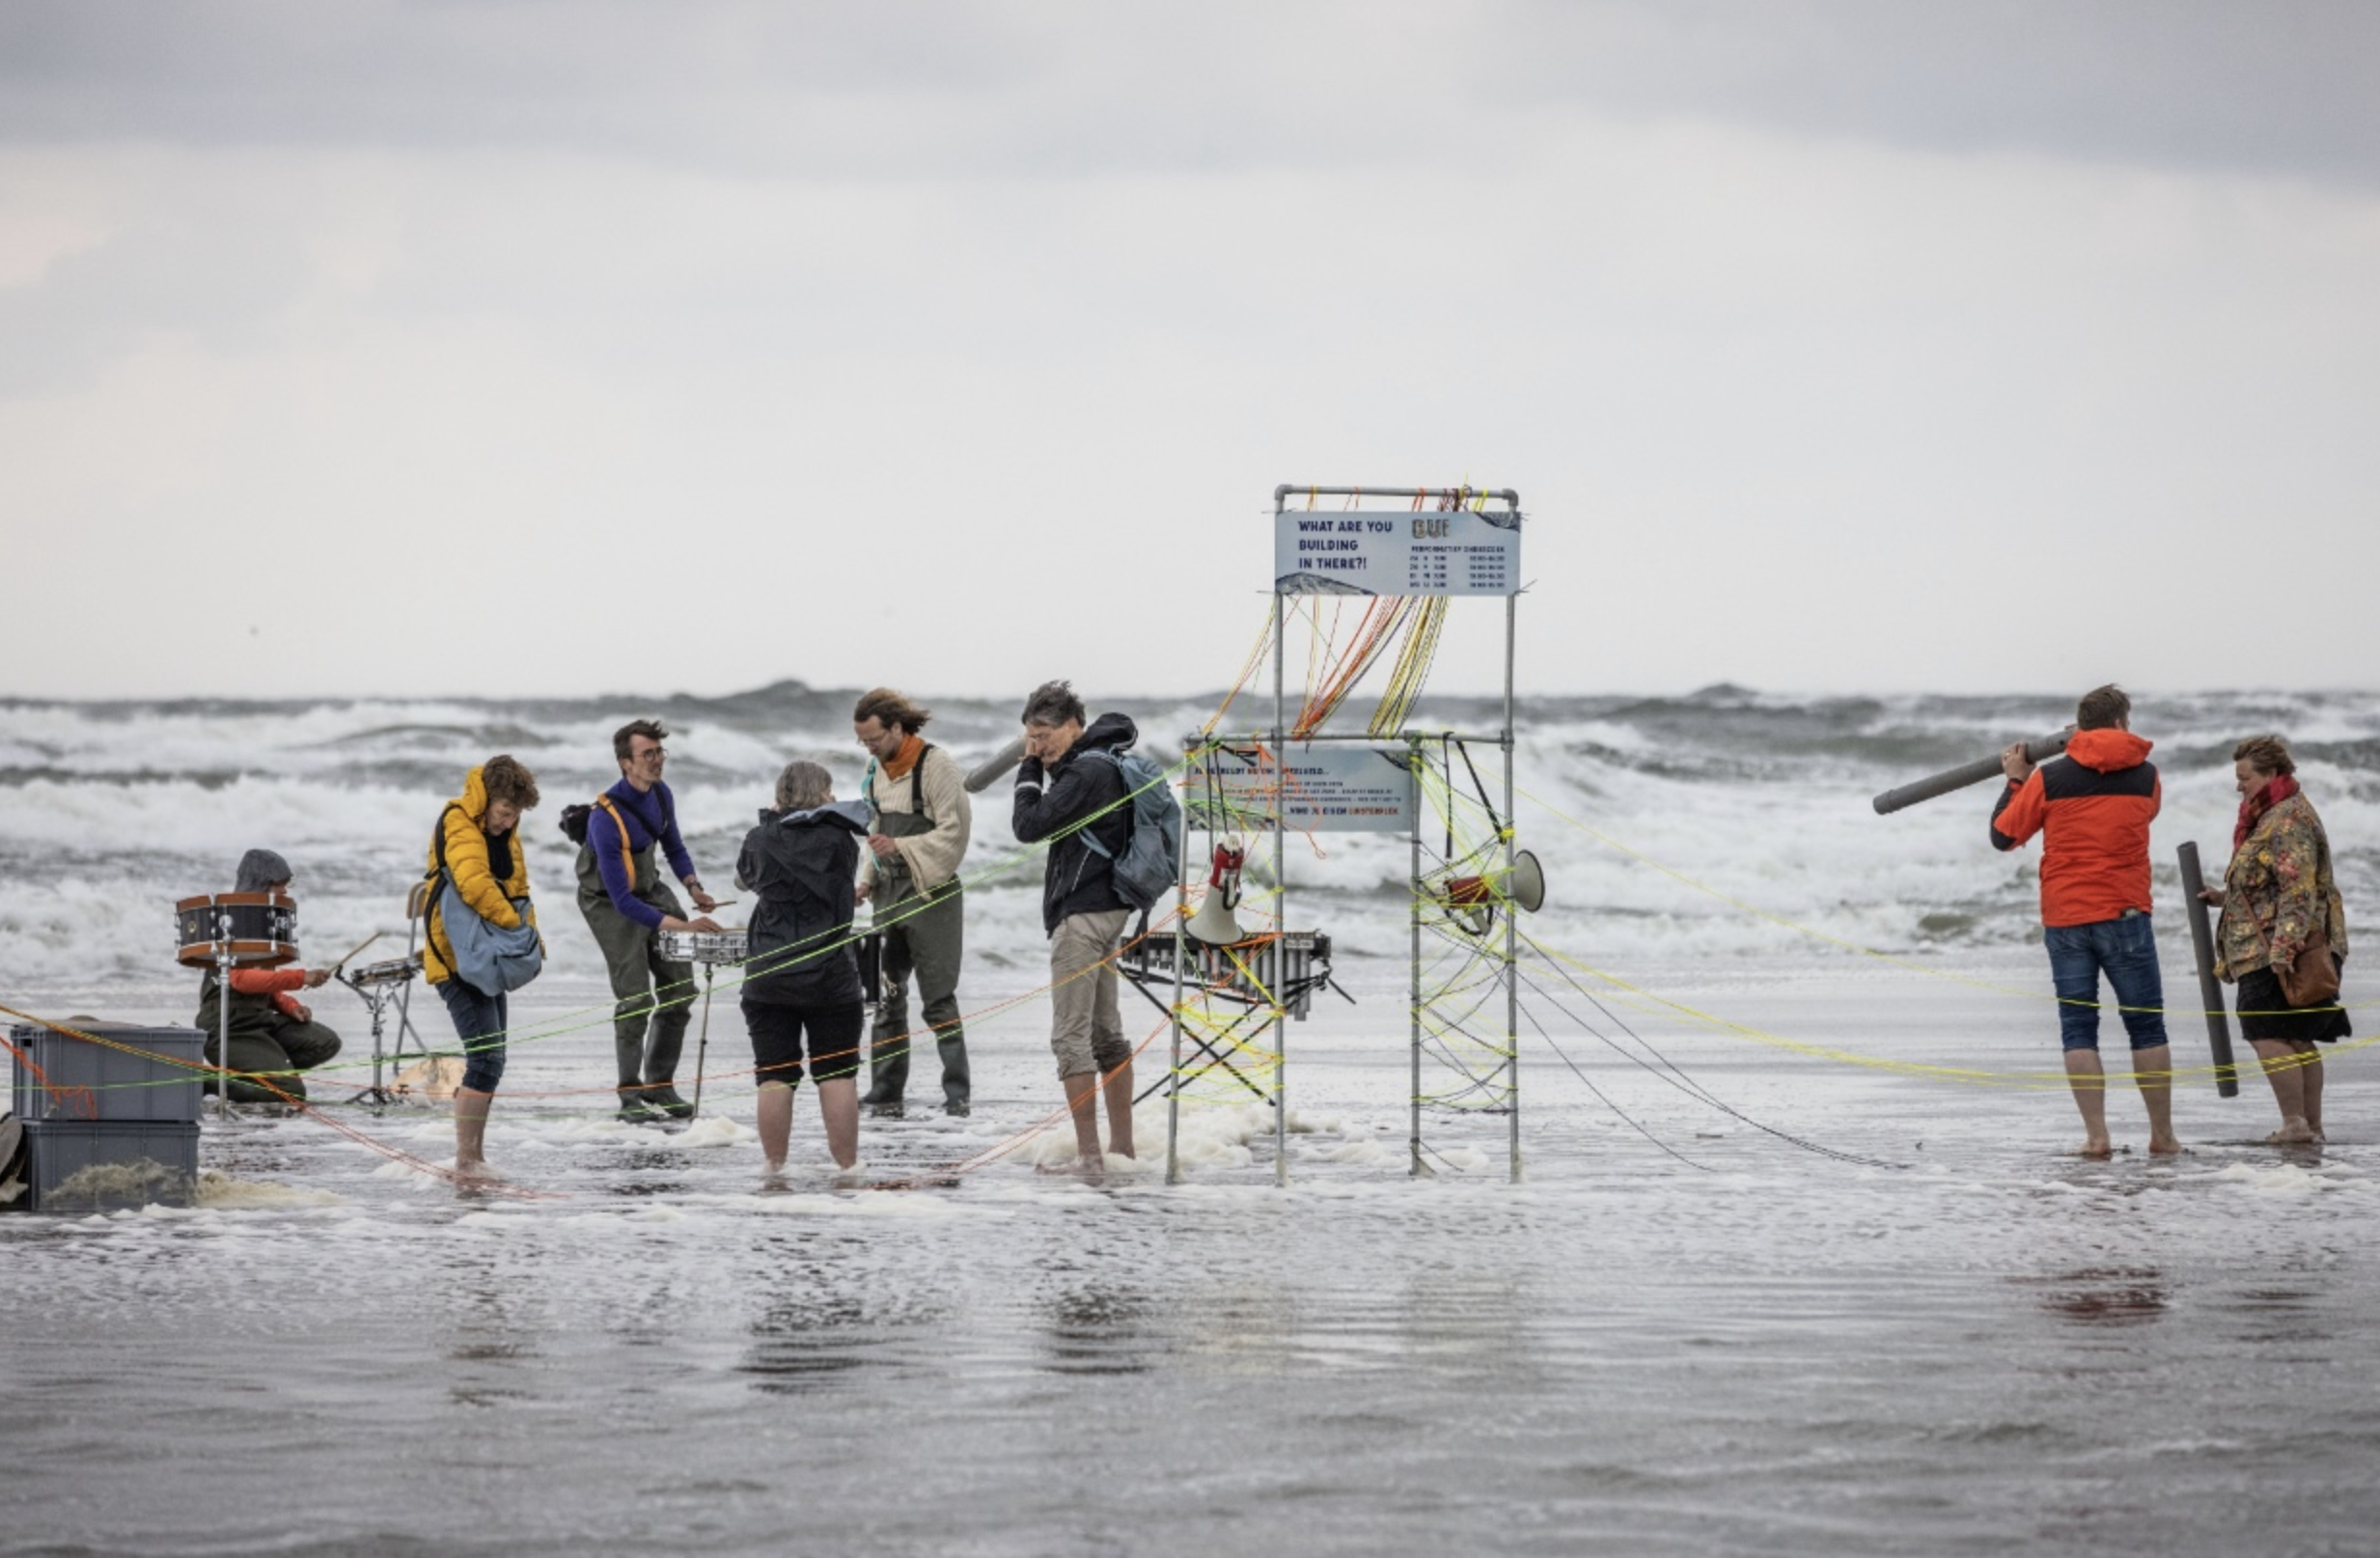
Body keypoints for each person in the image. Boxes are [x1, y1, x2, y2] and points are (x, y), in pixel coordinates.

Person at [1990, 683, 2180, 1158]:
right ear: (2120, 723)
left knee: (2078, 1028)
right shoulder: (2148, 776)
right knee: (2147, 1027)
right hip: (2126, 912)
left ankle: (2097, 1138)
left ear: (2082, 723)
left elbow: (2003, 836)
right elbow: (2147, 814)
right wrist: (2090, 747)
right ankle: (2163, 1136)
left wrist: (2016, 778)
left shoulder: (2050, 778)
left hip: (2068, 917)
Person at [1010, 680, 1142, 1174]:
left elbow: (1028, 825)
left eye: (1044, 736)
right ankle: (1121, 1152)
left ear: (1073, 726)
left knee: (1070, 1038)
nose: (1038, 747)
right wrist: (1039, 762)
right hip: (1109, 910)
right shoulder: (1104, 762)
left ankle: (1090, 1157)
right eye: (1030, 737)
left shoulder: (1086, 772)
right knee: (1107, 1037)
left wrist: (1026, 768)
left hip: (1083, 917)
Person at [2199, 735, 2350, 1145]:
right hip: (2278, 942)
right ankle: (2308, 1126)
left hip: (2275, 949)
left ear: (2271, 774)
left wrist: (2284, 950)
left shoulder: (2286, 818)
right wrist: (2225, 897)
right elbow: (2273, 883)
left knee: (2267, 1033)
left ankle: (2296, 1124)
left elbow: (2298, 891)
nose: (2239, 785)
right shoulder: (2270, 814)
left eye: (2245, 777)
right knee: (2296, 1036)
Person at [576, 718, 723, 1122]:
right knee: (636, 997)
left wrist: (693, 888)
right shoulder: (604, 818)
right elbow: (623, 902)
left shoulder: (660, 794)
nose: (657, 761)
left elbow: (674, 846)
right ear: (626, 763)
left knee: (681, 988)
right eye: (648, 754)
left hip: (650, 888)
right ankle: (629, 1095)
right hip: (608, 901)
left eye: (660, 753)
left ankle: (661, 1085)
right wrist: (684, 926)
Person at [736, 761, 870, 1175]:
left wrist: (770, 824)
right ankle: (848, 1169)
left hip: (769, 974)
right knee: (837, 1074)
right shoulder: (842, 840)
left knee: (774, 1075)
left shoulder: (759, 838)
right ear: (822, 793)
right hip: (831, 975)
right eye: (829, 791)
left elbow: (744, 881)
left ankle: (774, 1168)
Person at [851, 687, 974, 1119]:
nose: (869, 748)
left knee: (938, 999)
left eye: (875, 739)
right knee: (886, 997)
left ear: (898, 728)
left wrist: (900, 846)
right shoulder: (874, 769)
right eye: (863, 741)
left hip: (930, 894)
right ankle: (884, 1090)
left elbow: (954, 833)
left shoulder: (937, 765)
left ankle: (958, 1094)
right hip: (888, 894)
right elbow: (875, 832)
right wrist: (865, 880)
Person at [421, 757, 542, 1178]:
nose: (508, 823)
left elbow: (518, 891)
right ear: (487, 799)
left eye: (516, 816)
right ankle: (466, 1160)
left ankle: (474, 1157)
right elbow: (473, 883)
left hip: (487, 959)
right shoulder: (458, 819)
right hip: (454, 959)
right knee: (485, 1059)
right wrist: (512, 925)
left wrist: (530, 938)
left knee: (494, 1059)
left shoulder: (507, 833)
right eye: (505, 813)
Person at [193, 849, 343, 1104]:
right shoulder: (230, 923)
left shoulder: (261, 924)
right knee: (290, 1093)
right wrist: (300, 977)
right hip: (227, 1027)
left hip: (260, 1021)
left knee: (325, 1042)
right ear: (259, 884)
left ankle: (263, 1075)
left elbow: (264, 986)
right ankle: (206, 1080)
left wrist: (289, 1005)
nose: (284, 891)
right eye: (278, 884)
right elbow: (241, 979)